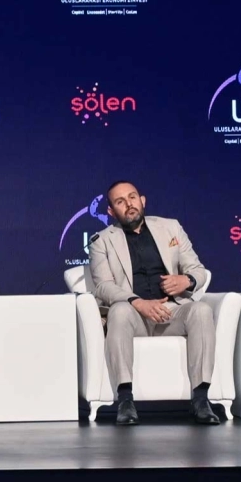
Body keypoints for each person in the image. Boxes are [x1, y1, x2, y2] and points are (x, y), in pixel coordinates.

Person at [88, 180, 220, 426]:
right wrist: (137, 302)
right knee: (119, 311)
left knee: (201, 310)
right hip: (133, 315)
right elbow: (103, 286)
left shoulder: (170, 228)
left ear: (142, 200)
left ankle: (201, 399)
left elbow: (198, 270)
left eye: (132, 197)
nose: (129, 204)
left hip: (171, 312)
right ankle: (125, 401)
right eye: (120, 202)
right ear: (111, 211)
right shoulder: (101, 241)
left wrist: (186, 280)